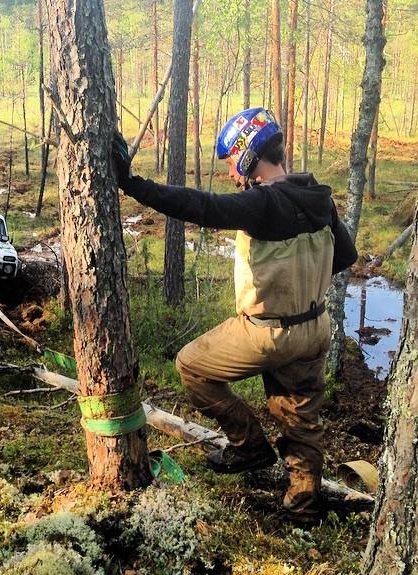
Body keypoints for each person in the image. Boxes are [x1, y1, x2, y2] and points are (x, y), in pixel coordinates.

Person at [112, 107, 357, 523]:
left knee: (192, 367)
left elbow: (201, 207)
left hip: (267, 331)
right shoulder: (320, 198)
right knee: (301, 418)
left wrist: (133, 185)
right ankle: (303, 507)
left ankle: (248, 445)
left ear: (248, 156)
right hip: (316, 328)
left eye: (230, 163)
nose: (229, 174)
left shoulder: (263, 202)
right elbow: (344, 256)